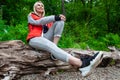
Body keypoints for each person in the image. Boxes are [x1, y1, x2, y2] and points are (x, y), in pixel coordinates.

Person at [26, 1, 103, 77]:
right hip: (35, 39)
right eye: (38, 5)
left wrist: (58, 18)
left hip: (46, 38)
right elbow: (38, 22)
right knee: (50, 43)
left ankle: (54, 48)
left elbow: (52, 24)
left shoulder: (48, 21)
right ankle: (82, 64)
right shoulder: (31, 15)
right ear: (34, 8)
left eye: (42, 5)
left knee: (60, 22)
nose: (40, 6)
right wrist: (54, 17)